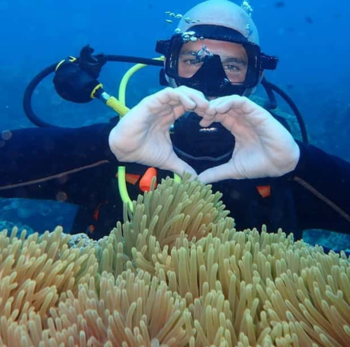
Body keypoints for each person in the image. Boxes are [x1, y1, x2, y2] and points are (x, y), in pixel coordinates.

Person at [1, 0, 350, 243]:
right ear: (168, 68)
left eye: (232, 65)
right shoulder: (122, 148)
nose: (211, 78)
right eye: (194, 58)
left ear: (254, 77)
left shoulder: (285, 166)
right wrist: (103, 147)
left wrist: (301, 166)